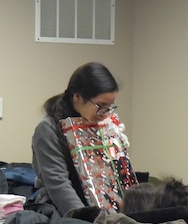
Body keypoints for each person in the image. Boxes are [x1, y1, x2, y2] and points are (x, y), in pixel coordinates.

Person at [32, 62, 134, 215]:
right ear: (77, 97)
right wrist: (90, 221)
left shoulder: (103, 125)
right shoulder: (48, 129)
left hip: (104, 205)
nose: (105, 113)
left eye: (110, 107)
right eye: (100, 106)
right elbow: (59, 184)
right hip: (62, 207)